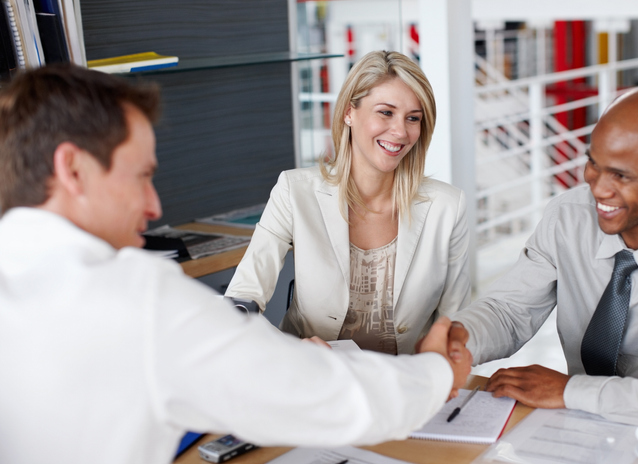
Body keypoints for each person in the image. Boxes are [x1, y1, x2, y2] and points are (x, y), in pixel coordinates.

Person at [0, 64, 472, 464]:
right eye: (142, 175)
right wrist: (435, 371)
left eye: (412, 118)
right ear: (73, 170)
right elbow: (316, 391)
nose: (154, 205)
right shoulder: (141, 298)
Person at [450, 87, 638, 435]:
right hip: (578, 433)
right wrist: (457, 340)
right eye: (593, 163)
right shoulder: (569, 217)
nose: (598, 188)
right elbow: (508, 311)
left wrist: (572, 391)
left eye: (621, 176)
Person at [225, 50, 471, 355]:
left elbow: (454, 325)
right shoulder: (294, 191)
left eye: (413, 118)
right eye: (385, 112)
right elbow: (242, 299)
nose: (400, 131)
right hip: (312, 376)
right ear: (349, 113)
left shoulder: (448, 207)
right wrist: (291, 351)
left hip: (404, 386)